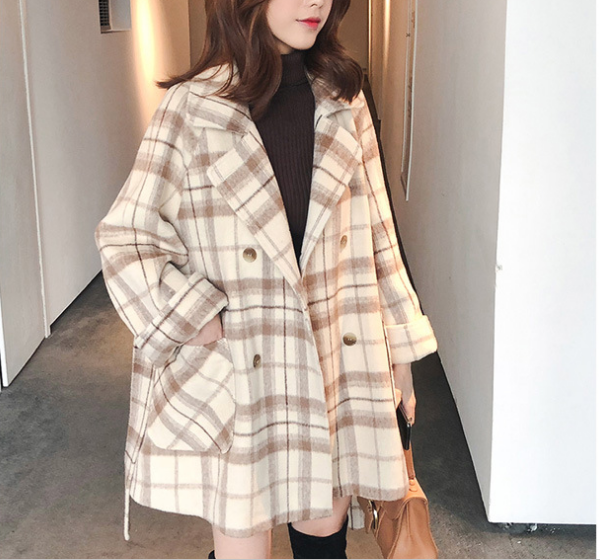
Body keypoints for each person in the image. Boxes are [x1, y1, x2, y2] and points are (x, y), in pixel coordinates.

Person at [94, 0, 438, 558]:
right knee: (244, 539)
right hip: (243, 366)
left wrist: (401, 351)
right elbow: (126, 236)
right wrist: (195, 318)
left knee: (324, 533)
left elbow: (380, 232)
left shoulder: (344, 98)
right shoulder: (193, 107)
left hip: (332, 355)